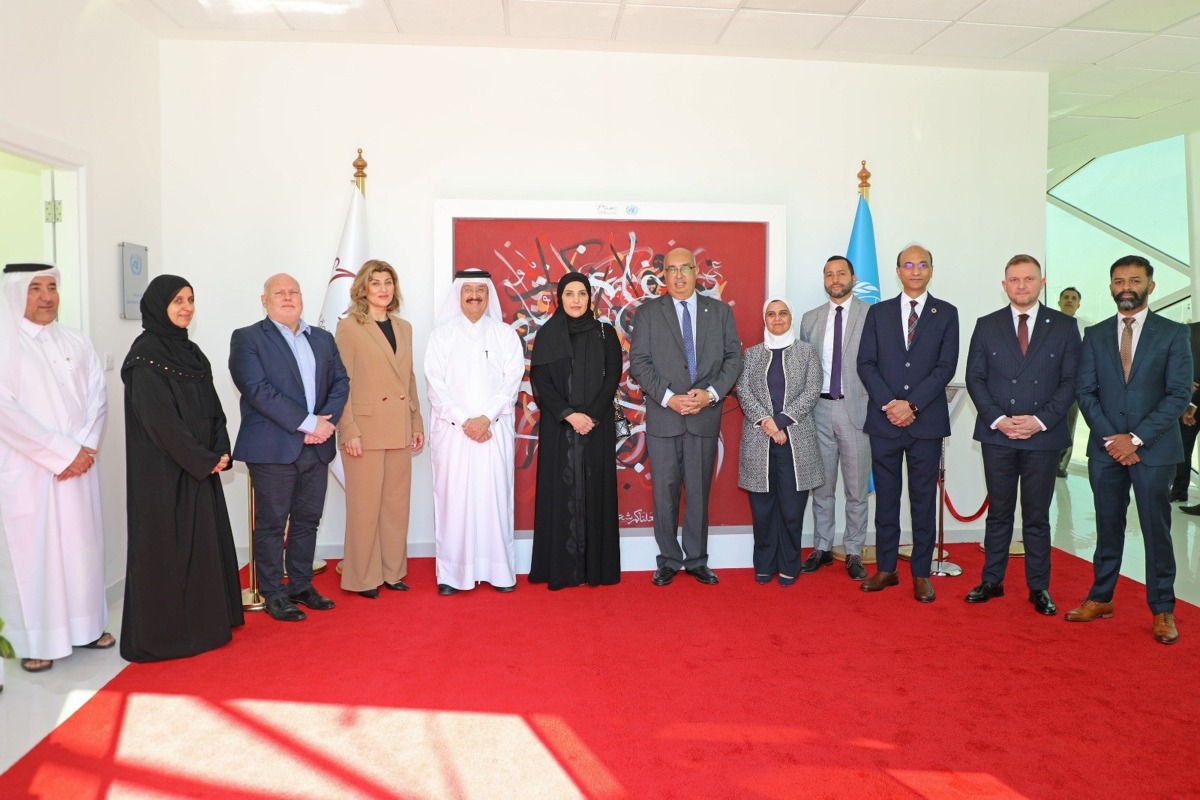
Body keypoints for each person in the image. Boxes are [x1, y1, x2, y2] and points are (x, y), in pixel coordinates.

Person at [120, 275, 244, 661]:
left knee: (201, 544)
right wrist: (202, 459)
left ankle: (207, 624)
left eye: (190, 299)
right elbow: (161, 424)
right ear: (158, 305)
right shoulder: (144, 358)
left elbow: (212, 409)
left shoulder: (191, 352)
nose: (186, 307)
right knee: (169, 550)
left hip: (199, 468)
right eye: (177, 300)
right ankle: (171, 637)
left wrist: (220, 449)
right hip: (162, 475)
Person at [1068, 255, 1191, 645]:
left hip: (1153, 450)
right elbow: (1085, 392)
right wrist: (1113, 439)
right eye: (1119, 280)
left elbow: (1178, 395)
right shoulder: (1097, 334)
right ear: (1110, 287)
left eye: (1134, 280)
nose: (1126, 286)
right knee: (1107, 526)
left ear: (1150, 286)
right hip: (1106, 450)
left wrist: (1135, 439)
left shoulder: (1173, 334)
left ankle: (1162, 609)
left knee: (1157, 531)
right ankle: (1101, 598)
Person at [0, 262, 112, 673]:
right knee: (36, 555)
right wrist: (62, 452)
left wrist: (83, 448)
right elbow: (5, 411)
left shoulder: (74, 340)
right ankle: (36, 641)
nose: (46, 297)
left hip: (78, 468)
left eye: (51, 287)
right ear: (16, 293)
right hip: (29, 471)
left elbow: (97, 396)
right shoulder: (5, 343)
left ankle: (85, 627)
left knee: (81, 548)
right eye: (35, 288)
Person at [963, 255, 1080, 616]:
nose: (1021, 286)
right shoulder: (987, 325)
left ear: (1041, 283)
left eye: (1029, 279)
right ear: (1004, 285)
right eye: (1014, 280)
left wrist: (1040, 420)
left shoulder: (1062, 326)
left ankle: (1039, 587)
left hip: (1042, 438)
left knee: (1036, 515)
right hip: (998, 435)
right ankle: (991, 580)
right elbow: (975, 378)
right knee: (999, 512)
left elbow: (1071, 381)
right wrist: (998, 419)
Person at [229, 273, 349, 621]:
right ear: (264, 301)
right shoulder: (248, 338)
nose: (287, 297)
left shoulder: (323, 339)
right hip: (272, 449)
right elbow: (257, 389)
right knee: (271, 524)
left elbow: (341, 381)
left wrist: (324, 424)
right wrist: (310, 424)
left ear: (302, 298)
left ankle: (300, 585)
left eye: (293, 291)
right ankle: (274, 593)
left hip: (317, 447)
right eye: (278, 292)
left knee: (307, 521)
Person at [628, 247, 742, 587]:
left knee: (698, 493)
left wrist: (708, 395)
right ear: (664, 276)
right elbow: (639, 363)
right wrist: (668, 398)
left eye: (685, 269)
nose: (678, 276)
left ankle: (696, 560)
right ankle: (668, 560)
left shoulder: (719, 313)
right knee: (664, 493)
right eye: (672, 270)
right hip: (665, 416)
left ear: (696, 272)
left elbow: (732, 360)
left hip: (704, 416)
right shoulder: (648, 313)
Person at [857, 244, 959, 603]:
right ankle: (886, 569)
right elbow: (866, 363)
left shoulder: (946, 313)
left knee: (922, 501)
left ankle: (920, 573)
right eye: (908, 265)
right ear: (897, 271)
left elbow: (945, 367)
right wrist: (890, 404)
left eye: (923, 265)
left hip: (925, 422)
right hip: (885, 422)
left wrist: (911, 404)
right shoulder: (878, 313)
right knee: (886, 498)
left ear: (932, 270)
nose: (915, 271)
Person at [425, 269, 524, 595]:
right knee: (455, 502)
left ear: (489, 295)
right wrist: (463, 420)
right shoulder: (441, 335)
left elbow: (512, 380)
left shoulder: (505, 334)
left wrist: (486, 419)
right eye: (468, 290)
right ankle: (453, 575)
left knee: (493, 499)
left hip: (492, 433)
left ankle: (498, 572)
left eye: (480, 290)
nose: (474, 296)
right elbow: (435, 383)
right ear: (458, 294)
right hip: (454, 436)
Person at [335, 260, 425, 599]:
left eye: (388, 282)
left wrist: (416, 422)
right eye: (376, 283)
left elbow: (409, 378)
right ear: (362, 289)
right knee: (364, 507)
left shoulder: (404, 328)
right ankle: (362, 577)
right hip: (366, 429)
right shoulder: (350, 327)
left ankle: (392, 571)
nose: (383, 289)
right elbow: (341, 382)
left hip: (399, 427)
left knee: (395, 505)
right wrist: (349, 429)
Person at [528, 272, 623, 589]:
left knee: (595, 490)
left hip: (597, 427)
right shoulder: (547, 335)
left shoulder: (605, 333)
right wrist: (569, 415)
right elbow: (541, 382)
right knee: (562, 492)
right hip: (560, 428)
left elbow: (613, 379)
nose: (576, 300)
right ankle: (564, 569)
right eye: (569, 294)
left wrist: (591, 416)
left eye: (581, 293)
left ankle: (595, 570)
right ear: (560, 297)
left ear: (589, 297)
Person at [737, 297, 822, 585]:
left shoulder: (807, 353)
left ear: (790, 317)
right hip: (759, 440)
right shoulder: (751, 355)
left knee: (791, 509)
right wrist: (768, 423)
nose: (777, 319)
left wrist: (782, 421)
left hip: (796, 442)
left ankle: (789, 563)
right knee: (762, 510)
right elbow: (744, 392)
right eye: (771, 314)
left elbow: (812, 391)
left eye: (782, 313)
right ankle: (764, 563)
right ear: (765, 319)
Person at [798, 255, 872, 581]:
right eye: (829, 274)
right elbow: (803, 368)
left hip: (856, 409)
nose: (835, 279)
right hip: (819, 410)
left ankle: (854, 550)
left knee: (856, 489)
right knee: (822, 487)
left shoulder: (871, 316)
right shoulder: (810, 319)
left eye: (841, 273)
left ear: (853, 278)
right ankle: (822, 547)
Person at [1056, 287, 1088, 477]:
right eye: (1065, 297)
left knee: (1069, 424)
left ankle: (1061, 464)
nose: (1069, 300)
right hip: (1048, 385)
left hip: (1074, 385)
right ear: (1059, 302)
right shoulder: (1048, 324)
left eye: (1073, 298)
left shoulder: (1085, 328)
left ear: (1078, 304)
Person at [1170, 321, 1200, 506]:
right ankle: (1179, 490)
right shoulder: (1189, 330)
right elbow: (1180, 363)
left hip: (1193, 395)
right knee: (1183, 444)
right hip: (1192, 398)